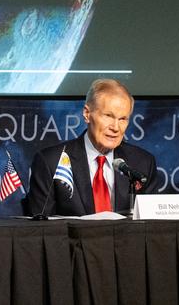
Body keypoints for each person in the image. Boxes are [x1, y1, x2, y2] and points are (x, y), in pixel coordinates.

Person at [23, 79, 159, 217]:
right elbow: (41, 230)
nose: (115, 128)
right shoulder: (50, 162)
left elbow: (152, 227)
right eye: (108, 116)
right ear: (87, 114)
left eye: (123, 119)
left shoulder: (143, 163)